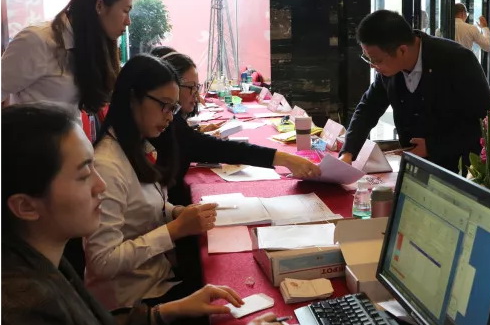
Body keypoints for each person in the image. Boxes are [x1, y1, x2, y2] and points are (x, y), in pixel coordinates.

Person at [1, 102, 281, 325]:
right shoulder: (26, 306)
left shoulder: (42, 261)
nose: (100, 185)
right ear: (26, 207)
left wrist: (165, 312)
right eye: (84, 174)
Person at [83, 54, 220, 318]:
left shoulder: (136, 146)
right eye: (164, 106)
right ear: (132, 98)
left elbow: (139, 207)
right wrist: (175, 229)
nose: (170, 117)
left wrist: (175, 212)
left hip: (157, 279)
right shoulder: (107, 165)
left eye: (174, 108)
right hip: (131, 303)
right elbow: (102, 262)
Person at [150, 47, 321, 206]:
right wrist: (284, 159)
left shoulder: (173, 123)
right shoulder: (164, 127)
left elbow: (200, 145)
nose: (197, 95)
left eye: (197, 87)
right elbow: (218, 148)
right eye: (191, 87)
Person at [339, 9, 490, 173]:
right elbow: (368, 108)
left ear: (402, 50)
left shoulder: (457, 60)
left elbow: (484, 125)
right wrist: (348, 153)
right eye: (367, 58)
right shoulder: (389, 69)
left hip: (458, 171)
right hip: (414, 169)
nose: (372, 66)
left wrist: (432, 146)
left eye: (376, 60)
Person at [1, 0, 132, 114]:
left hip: (70, 128)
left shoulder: (91, 46)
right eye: (125, 11)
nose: (128, 21)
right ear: (99, 6)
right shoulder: (37, 40)